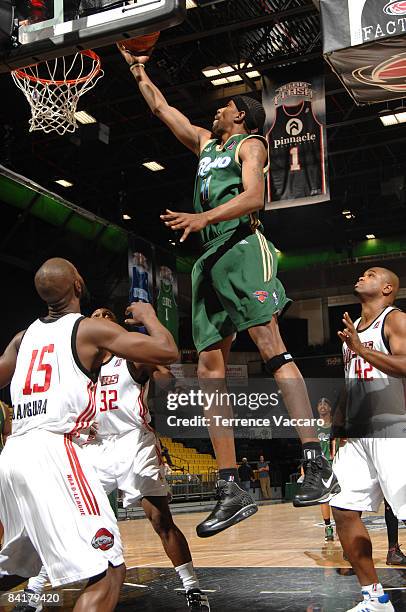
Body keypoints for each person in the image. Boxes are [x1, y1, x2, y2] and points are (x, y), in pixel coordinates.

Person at [118, 44, 339, 538]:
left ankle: (315, 461)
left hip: (241, 245)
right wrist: (137, 69)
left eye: (222, 104)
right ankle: (230, 485)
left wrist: (202, 217)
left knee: (270, 347)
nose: (213, 110)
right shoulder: (203, 145)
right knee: (207, 370)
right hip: (208, 259)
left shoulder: (251, 144)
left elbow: (254, 196)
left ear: (239, 113)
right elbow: (159, 107)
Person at [0, 257, 178, 612]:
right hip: (55, 450)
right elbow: (168, 352)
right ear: (78, 285)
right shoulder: (88, 330)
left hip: (13, 454)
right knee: (108, 569)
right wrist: (149, 318)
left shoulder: (23, 338)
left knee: (16, 568)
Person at [17, 306, 209, 612]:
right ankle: (33, 593)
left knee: (161, 520)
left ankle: (193, 588)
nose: (100, 316)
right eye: (95, 313)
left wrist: (162, 374)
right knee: (63, 521)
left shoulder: (130, 356)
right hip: (94, 446)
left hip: (134, 442)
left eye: (107, 314)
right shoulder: (80, 360)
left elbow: (165, 378)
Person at [331, 266, 406, 612]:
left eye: (371, 273)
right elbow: (351, 380)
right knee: (343, 509)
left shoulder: (395, 319)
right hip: (357, 434)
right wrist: (338, 426)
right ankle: (375, 598)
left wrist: (361, 349)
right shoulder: (353, 331)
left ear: (388, 287)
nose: (362, 276)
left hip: (392, 428)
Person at [316, 398, 336, 542]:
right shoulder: (313, 426)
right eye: (320, 404)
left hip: (337, 463)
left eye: (325, 404)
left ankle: (343, 526)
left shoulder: (336, 425)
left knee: (340, 497)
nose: (322, 406)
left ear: (330, 408)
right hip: (321, 465)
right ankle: (328, 526)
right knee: (325, 498)